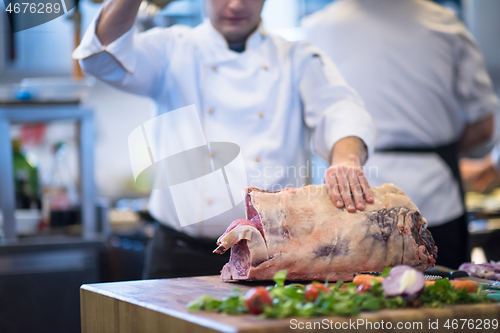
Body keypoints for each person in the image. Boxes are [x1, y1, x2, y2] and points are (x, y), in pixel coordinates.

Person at [74, 0, 377, 279]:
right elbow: (100, 56)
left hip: (271, 258)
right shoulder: (172, 48)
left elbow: (340, 109)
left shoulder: (296, 56)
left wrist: (346, 160)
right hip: (178, 255)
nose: (235, 5)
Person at [303, 0, 499, 269]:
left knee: (351, 302)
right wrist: (440, 154)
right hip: (435, 194)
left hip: (350, 203)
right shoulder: (446, 23)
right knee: (445, 304)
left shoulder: (315, 29)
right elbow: (484, 125)